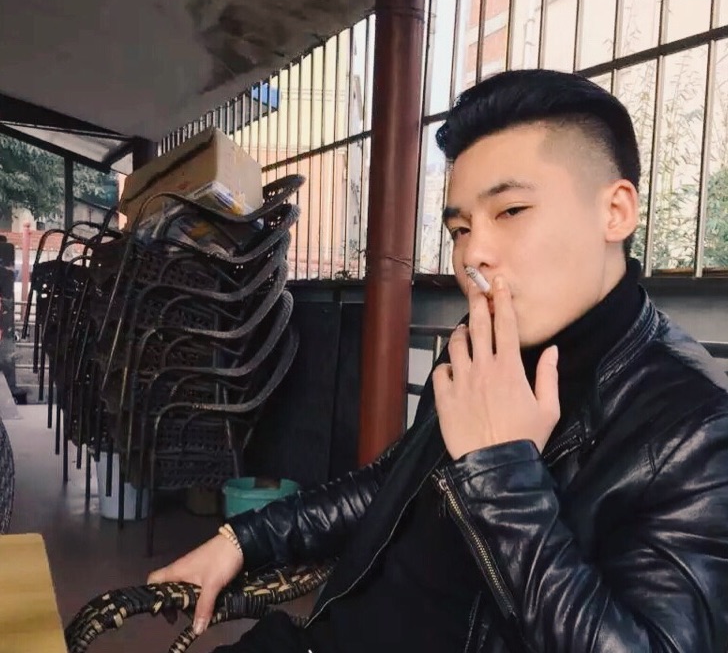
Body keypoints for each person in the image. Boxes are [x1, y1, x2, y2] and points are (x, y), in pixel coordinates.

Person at [148, 69, 728, 652]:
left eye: (511, 211)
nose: (474, 253)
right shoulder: (477, 347)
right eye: (460, 228)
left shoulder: (694, 428)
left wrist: (502, 473)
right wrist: (244, 540)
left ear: (616, 211)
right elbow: (394, 483)